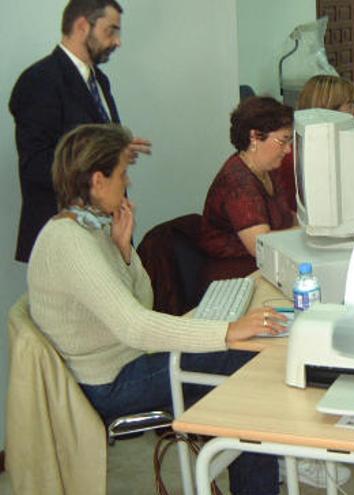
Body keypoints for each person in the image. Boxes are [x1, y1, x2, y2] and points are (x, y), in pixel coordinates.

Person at [28, 124, 285, 494]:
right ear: (98, 180)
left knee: (241, 361)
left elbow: (141, 302)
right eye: (122, 174)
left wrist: (123, 251)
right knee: (251, 366)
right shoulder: (70, 242)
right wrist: (227, 331)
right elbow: (136, 326)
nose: (127, 183)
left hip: (126, 360)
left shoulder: (90, 228)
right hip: (110, 382)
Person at [8, 0, 151, 263]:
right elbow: (35, 165)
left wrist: (117, 153)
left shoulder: (99, 81)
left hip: (105, 232)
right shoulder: (40, 81)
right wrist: (96, 162)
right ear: (82, 26)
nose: (117, 41)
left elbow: (92, 149)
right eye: (111, 31)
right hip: (65, 237)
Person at [199, 97, 296, 280]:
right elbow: (261, 246)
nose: (288, 150)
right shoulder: (238, 182)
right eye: (283, 141)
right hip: (234, 276)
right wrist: (306, 236)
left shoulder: (268, 169)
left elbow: (287, 218)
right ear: (254, 137)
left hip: (266, 265)